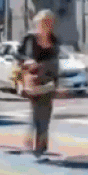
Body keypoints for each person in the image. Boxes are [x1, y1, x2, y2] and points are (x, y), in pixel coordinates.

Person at [16, 9, 60, 159]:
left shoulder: (54, 39)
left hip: (48, 82)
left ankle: (41, 146)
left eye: (50, 22)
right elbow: (19, 54)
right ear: (39, 23)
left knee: (46, 115)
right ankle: (35, 144)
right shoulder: (30, 38)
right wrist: (27, 62)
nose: (48, 25)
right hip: (33, 81)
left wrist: (56, 81)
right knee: (37, 114)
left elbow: (56, 62)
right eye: (45, 22)